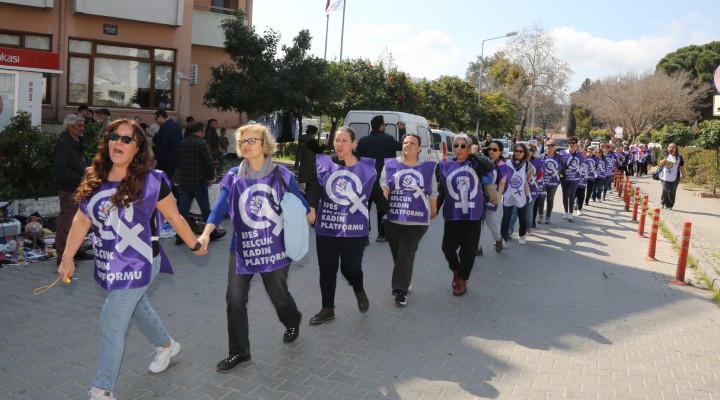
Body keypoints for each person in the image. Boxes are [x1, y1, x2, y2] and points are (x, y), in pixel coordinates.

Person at [57, 119, 207, 400]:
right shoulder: (94, 176)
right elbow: (81, 218)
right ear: (107, 142)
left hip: (141, 262)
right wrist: (67, 256)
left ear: (138, 149)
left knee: (111, 321)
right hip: (109, 262)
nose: (119, 142)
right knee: (137, 308)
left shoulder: (151, 181)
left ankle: (102, 390)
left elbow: (175, 217)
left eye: (127, 139)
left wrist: (195, 244)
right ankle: (167, 345)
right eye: (115, 136)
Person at [200, 124, 312, 373]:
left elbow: (301, 206)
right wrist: (206, 233)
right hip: (241, 250)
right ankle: (239, 351)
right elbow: (218, 209)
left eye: (252, 140)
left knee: (279, 297)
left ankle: (292, 319)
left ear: (265, 145)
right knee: (234, 300)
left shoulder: (283, 175)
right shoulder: (233, 176)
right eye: (242, 142)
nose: (246, 145)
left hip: (275, 250)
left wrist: (308, 214)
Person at [305, 127, 377, 324]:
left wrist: (386, 210)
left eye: (344, 140)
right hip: (328, 226)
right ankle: (327, 308)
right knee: (327, 267)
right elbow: (314, 188)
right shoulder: (324, 165)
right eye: (336, 140)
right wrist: (311, 207)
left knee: (350, 268)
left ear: (354, 144)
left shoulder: (367, 169)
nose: (339, 144)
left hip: (355, 228)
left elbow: (376, 194)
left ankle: (358, 288)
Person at [379, 133, 438, 306]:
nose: (408, 145)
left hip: (417, 222)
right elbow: (384, 185)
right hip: (393, 219)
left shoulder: (427, 168)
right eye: (405, 142)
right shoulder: (390, 165)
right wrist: (383, 201)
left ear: (419, 148)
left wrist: (433, 210)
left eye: (412, 143)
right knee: (399, 256)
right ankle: (404, 279)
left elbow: (433, 192)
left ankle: (400, 291)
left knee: (405, 253)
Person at [438, 134, 493, 296]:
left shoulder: (476, 164)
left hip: (473, 214)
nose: (459, 149)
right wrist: (434, 208)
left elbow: (489, 167)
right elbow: (442, 189)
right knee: (447, 247)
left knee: (469, 249)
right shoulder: (445, 166)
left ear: (469, 149)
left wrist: (476, 154)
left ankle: (462, 279)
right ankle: (456, 269)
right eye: (456, 146)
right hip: (453, 213)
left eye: (463, 146)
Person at [174, 122, 226, 245]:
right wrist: (210, 177)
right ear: (200, 131)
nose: (203, 134)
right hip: (199, 181)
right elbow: (208, 162)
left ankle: (179, 235)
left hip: (185, 181)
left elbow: (179, 162)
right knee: (206, 209)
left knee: (183, 210)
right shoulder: (201, 143)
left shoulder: (183, 143)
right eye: (203, 131)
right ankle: (211, 233)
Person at [356, 115, 401, 242]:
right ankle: (382, 234)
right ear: (381, 126)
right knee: (383, 207)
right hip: (382, 180)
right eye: (385, 125)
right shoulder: (388, 139)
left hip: (366, 179)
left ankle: (364, 236)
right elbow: (402, 146)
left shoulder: (363, 141)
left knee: (365, 207)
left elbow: (356, 158)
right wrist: (401, 130)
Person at [52, 113, 88, 264]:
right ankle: (62, 255)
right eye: (79, 126)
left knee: (78, 221)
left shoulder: (76, 141)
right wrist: (81, 178)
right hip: (69, 188)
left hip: (78, 188)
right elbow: (60, 169)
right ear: (69, 127)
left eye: (82, 125)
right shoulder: (64, 143)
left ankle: (76, 250)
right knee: (67, 221)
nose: (82, 129)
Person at [478, 139, 507, 255]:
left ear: (500, 152)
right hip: (481, 197)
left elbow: (502, 184)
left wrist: (497, 198)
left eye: (495, 149)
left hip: (494, 197)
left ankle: (499, 239)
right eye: (490, 149)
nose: (491, 151)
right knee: (479, 221)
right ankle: (478, 246)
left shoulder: (502, 166)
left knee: (491, 221)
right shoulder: (485, 162)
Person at [500, 143, 532, 245]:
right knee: (506, 217)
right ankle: (503, 238)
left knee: (522, 217)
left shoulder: (528, 165)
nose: (518, 153)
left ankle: (522, 235)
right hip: (508, 194)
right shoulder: (507, 162)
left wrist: (526, 183)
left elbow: (529, 178)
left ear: (524, 153)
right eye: (516, 151)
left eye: (520, 151)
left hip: (521, 195)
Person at [537, 139, 563, 224]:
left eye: (552, 146)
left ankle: (548, 216)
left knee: (550, 199)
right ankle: (540, 215)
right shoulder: (541, 156)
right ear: (545, 147)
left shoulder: (559, 157)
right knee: (541, 198)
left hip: (554, 182)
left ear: (555, 147)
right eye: (548, 145)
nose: (550, 147)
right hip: (543, 181)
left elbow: (562, 168)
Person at [153, 109, 183, 183]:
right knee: (168, 180)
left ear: (160, 116)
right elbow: (181, 140)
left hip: (165, 159)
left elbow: (162, 143)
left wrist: (156, 157)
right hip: (176, 158)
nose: (156, 121)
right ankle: (175, 194)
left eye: (156, 118)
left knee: (163, 181)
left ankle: (173, 194)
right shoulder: (177, 126)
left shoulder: (165, 126)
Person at [559, 137, 584, 222]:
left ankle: (570, 213)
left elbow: (582, 165)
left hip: (575, 178)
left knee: (572, 194)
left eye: (573, 143)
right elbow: (560, 165)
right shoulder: (562, 153)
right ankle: (566, 212)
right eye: (569, 143)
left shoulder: (580, 154)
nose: (571, 144)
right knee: (565, 195)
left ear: (576, 144)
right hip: (565, 177)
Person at [298, 125, 326, 194]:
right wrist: (324, 144)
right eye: (315, 133)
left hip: (303, 166)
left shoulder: (303, 139)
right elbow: (319, 150)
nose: (315, 135)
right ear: (311, 133)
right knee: (309, 187)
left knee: (303, 186)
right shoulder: (311, 141)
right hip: (310, 167)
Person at [657, 143, 685, 210]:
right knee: (665, 189)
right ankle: (662, 203)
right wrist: (665, 158)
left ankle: (669, 205)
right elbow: (660, 164)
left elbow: (681, 167)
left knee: (672, 191)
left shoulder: (679, 157)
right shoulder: (664, 155)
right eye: (669, 147)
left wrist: (684, 175)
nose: (670, 148)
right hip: (665, 176)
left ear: (676, 149)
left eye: (672, 147)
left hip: (675, 176)